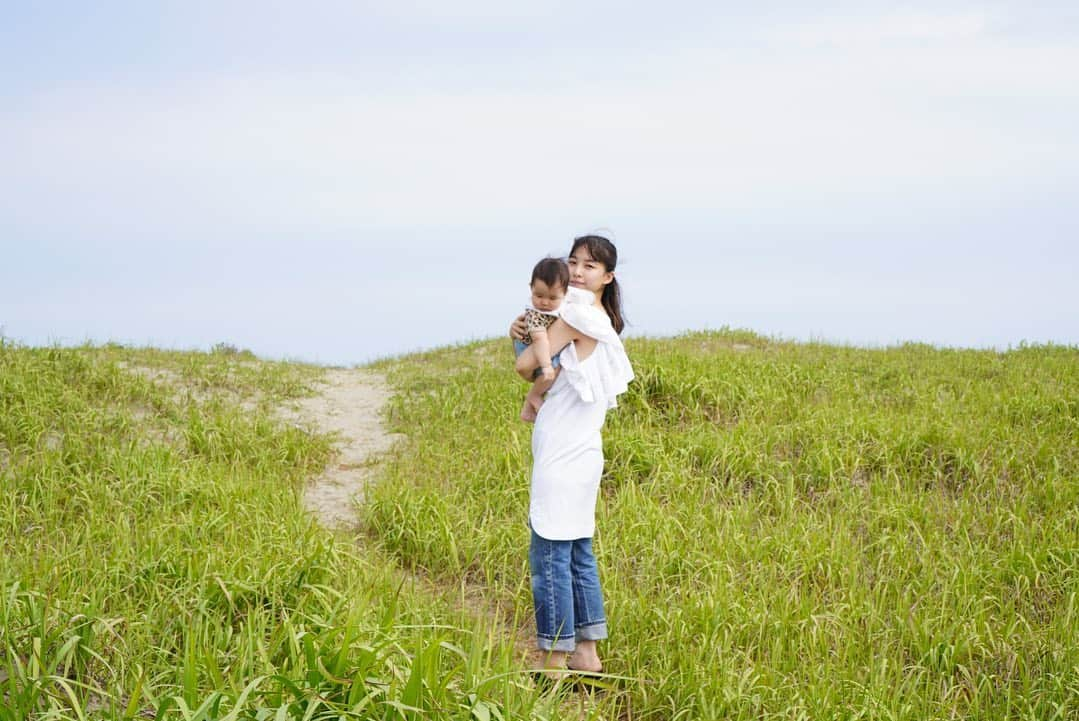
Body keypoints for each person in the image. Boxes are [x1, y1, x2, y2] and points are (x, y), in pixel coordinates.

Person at [510, 234, 634, 677]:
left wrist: (519, 337)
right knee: (578, 549)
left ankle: (555, 660)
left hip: (562, 449)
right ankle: (587, 654)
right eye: (575, 263)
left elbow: (527, 369)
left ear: (608, 277)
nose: (579, 272)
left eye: (590, 267)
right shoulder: (601, 317)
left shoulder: (578, 313)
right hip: (585, 450)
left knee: (549, 553)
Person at [514, 257, 594, 422]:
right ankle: (534, 397)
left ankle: (530, 405)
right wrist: (546, 365)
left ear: (564, 294)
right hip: (531, 346)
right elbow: (540, 340)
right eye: (539, 295)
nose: (544, 302)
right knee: (553, 370)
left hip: (543, 346)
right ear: (531, 288)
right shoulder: (536, 314)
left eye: (552, 298)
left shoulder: (567, 304)